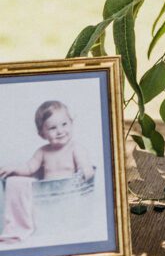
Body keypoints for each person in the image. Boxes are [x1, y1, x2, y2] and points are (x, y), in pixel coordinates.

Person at [0, 100, 95, 243]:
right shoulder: (42, 152)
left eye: (64, 124)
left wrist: (85, 172)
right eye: (52, 128)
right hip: (48, 207)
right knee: (45, 226)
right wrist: (14, 169)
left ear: (71, 123)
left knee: (68, 226)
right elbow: (29, 168)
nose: (60, 131)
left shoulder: (75, 148)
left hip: (71, 204)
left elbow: (86, 167)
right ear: (42, 133)